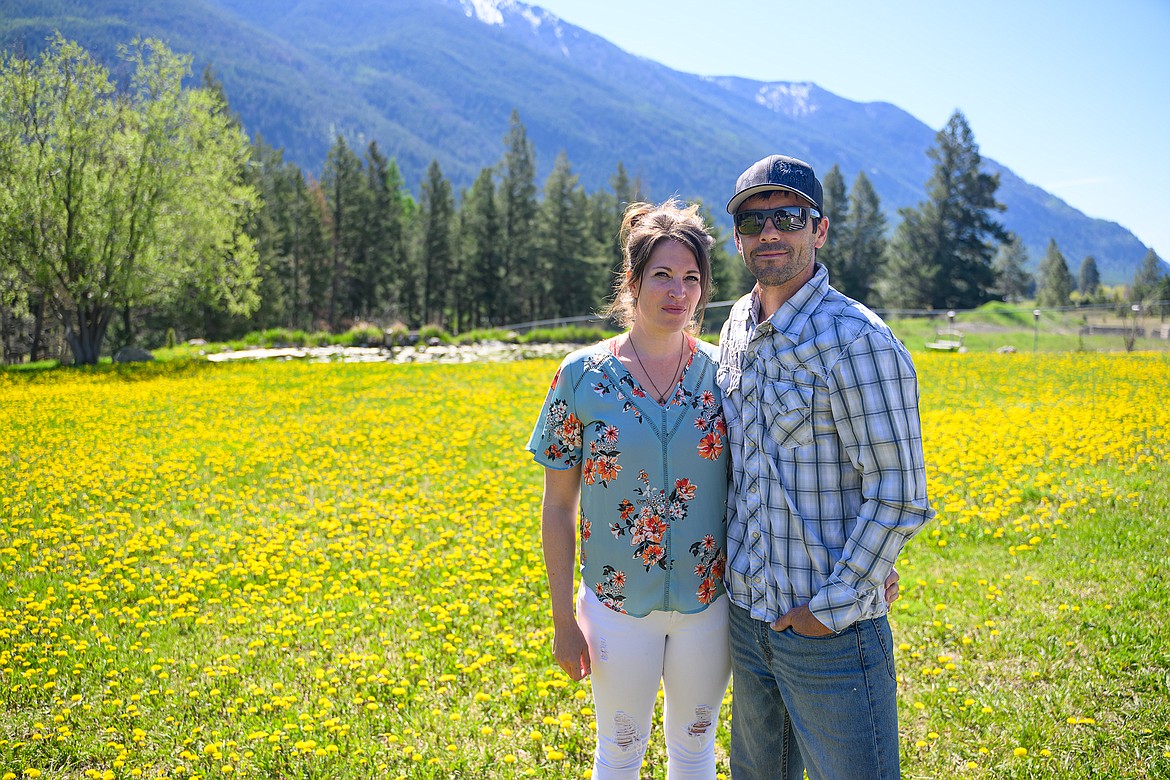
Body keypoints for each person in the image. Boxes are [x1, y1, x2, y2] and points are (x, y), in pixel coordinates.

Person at [716, 155, 935, 780]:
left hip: (830, 635)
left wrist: (833, 607)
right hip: (747, 619)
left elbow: (899, 492)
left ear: (820, 229)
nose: (769, 234)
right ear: (739, 236)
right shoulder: (734, 326)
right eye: (754, 221)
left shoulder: (858, 339)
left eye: (787, 217)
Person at [528, 199, 732, 779]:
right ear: (632, 280)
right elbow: (559, 506)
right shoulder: (581, 377)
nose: (679, 293)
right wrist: (564, 620)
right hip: (616, 608)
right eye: (662, 276)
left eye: (692, 279)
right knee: (618, 753)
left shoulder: (726, 376)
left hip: (708, 606)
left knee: (695, 751)